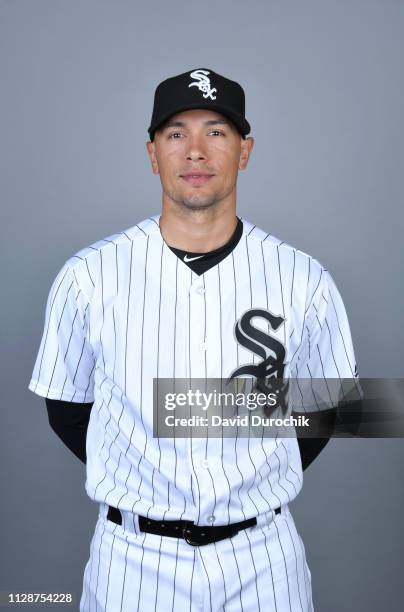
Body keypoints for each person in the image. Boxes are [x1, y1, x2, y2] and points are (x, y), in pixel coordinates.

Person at [28, 67, 361, 611]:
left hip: (263, 557)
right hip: (132, 561)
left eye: (217, 131)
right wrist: (144, 478)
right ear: (153, 153)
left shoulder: (303, 278)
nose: (196, 151)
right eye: (176, 133)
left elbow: (325, 412)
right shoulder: (90, 275)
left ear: (245, 151)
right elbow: (67, 411)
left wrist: (247, 474)